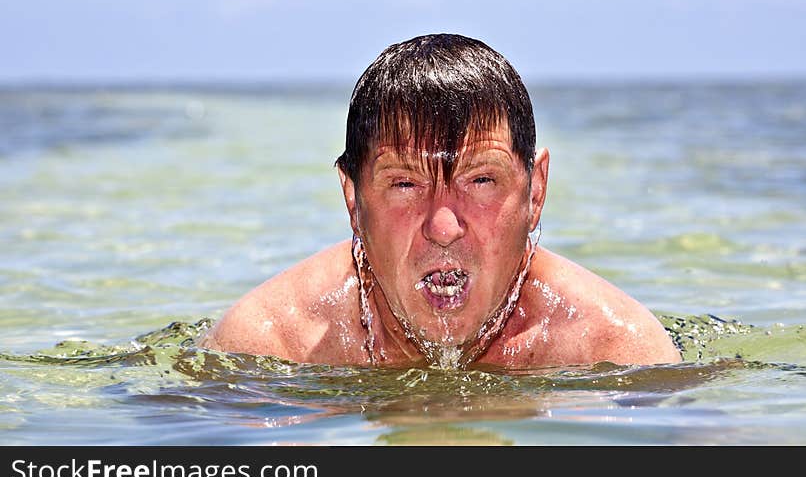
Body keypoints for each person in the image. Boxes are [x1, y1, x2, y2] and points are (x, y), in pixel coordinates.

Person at [198, 33, 681, 368]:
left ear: (535, 191)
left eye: (481, 180)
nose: (444, 226)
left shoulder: (616, 352)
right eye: (405, 184)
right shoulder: (268, 345)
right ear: (353, 197)